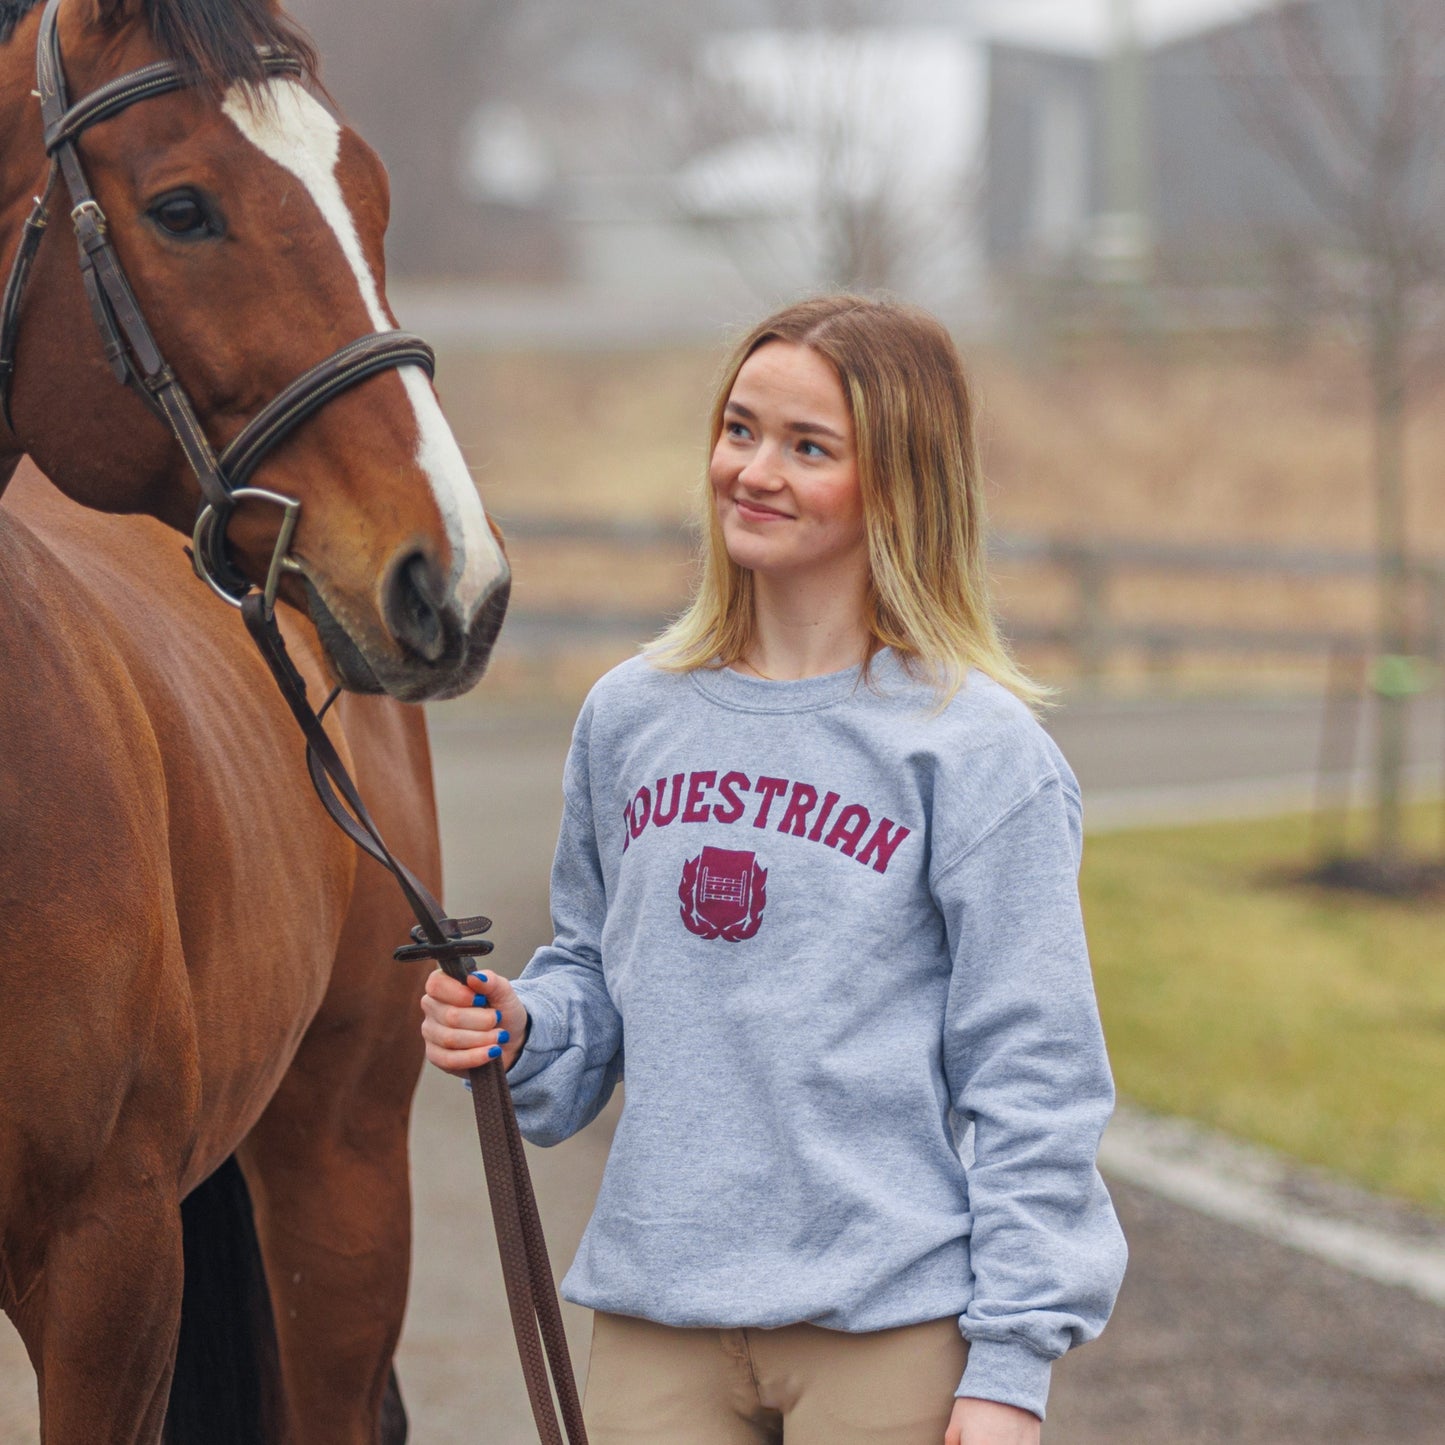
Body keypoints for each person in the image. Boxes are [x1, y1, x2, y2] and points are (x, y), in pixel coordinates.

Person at [420, 294, 1127, 1445]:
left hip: (885, 1326)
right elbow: (596, 975)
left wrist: (1008, 1367)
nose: (754, 470)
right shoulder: (628, 714)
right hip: (661, 1316)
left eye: (808, 447)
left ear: (895, 483)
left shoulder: (977, 752)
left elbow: (1032, 1071)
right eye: (739, 429)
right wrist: (520, 1024)